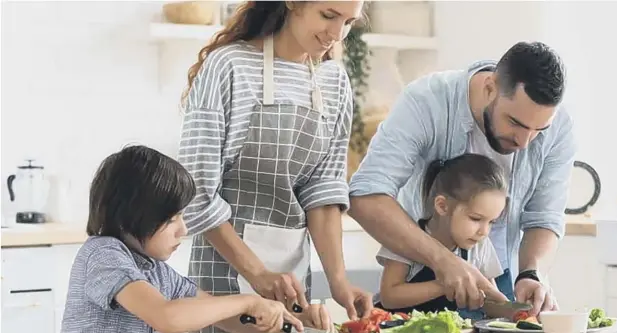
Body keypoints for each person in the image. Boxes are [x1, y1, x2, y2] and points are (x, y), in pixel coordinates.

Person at [178, 2, 372, 332]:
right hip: (224, 275)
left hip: (293, 282)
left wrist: (339, 282)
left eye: (349, 22)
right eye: (328, 15)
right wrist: (258, 274)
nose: (337, 34)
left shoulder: (334, 81)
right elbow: (196, 194)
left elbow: (323, 190)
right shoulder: (229, 67)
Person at [349, 41, 575, 316]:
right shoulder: (427, 101)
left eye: (539, 129)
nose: (525, 142)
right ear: (490, 87)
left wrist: (532, 273)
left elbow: (544, 217)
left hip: (500, 276)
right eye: (515, 123)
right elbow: (366, 196)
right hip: (420, 262)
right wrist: (444, 262)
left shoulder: (560, 127)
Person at [60, 145, 311, 333]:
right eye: (171, 219)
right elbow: (168, 318)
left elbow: (223, 318)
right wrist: (247, 301)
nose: (184, 230)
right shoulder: (103, 254)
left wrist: (290, 319)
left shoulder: (157, 272)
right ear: (132, 215)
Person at [375, 154, 507, 320]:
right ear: (442, 206)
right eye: (475, 218)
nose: (484, 231)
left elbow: (491, 299)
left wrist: (518, 311)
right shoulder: (406, 239)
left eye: (491, 222)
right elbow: (389, 296)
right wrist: (445, 283)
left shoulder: (480, 245)